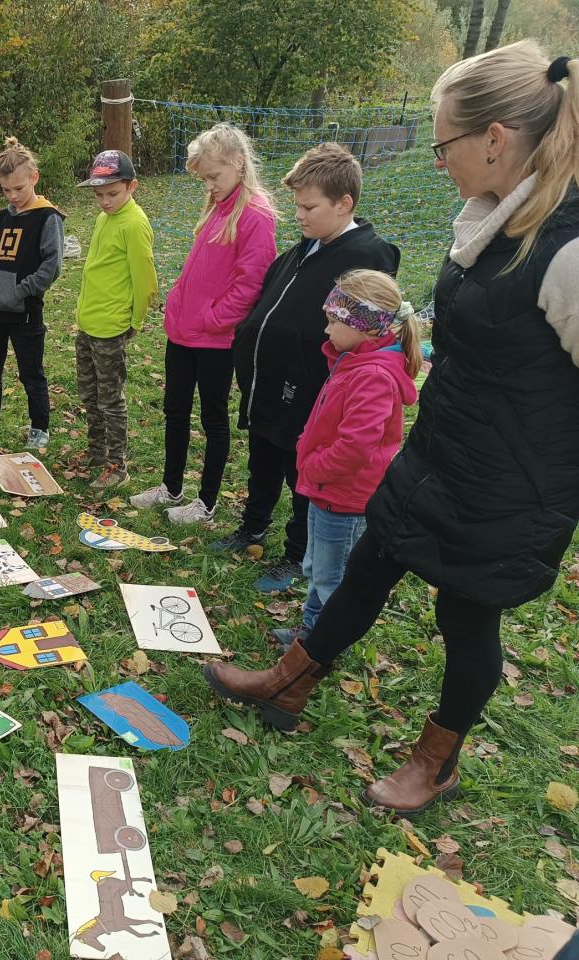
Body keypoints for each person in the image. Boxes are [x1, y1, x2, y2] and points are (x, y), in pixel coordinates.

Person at [204, 41, 579, 815]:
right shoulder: (491, 223)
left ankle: (435, 761)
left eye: (445, 145)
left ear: (495, 139)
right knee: (371, 563)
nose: (438, 161)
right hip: (440, 452)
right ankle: (288, 682)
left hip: (506, 486)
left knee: (464, 616)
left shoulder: (568, 250)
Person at [217, 143, 400, 593]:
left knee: (301, 467)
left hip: (310, 389)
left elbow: (362, 328)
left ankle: (297, 552)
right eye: (297, 205)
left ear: (344, 203)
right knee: (262, 455)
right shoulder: (303, 249)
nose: (298, 215)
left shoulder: (367, 255)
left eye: (309, 207)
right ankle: (253, 525)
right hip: (268, 380)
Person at [129, 123, 277, 522]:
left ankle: (206, 503)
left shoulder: (256, 214)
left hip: (214, 340)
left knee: (213, 419)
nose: (209, 186)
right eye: (204, 179)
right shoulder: (218, 206)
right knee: (175, 411)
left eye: (214, 176)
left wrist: (214, 318)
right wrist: (180, 303)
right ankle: (171, 487)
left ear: (238, 163)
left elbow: (251, 284)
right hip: (183, 332)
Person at [272, 270, 420, 651]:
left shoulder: (373, 375)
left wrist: (315, 467)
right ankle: (311, 628)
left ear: (364, 326)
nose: (326, 330)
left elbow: (356, 446)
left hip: (343, 496)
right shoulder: (352, 361)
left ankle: (320, 645)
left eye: (333, 321)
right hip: (325, 489)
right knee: (316, 565)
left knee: (331, 575)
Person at [0, 137, 64, 451]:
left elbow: (52, 265)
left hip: (25, 312)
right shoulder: (1, 218)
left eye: (19, 188)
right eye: (6, 190)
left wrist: (22, 291)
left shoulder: (47, 217)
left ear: (34, 178)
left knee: (31, 373)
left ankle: (39, 427)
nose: (13, 196)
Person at [74, 149, 157, 490]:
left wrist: (134, 322)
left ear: (131, 187)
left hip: (111, 327)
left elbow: (145, 280)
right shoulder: (103, 219)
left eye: (112, 193)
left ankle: (116, 466)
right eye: (99, 195)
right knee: (88, 394)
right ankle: (97, 452)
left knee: (110, 400)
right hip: (88, 323)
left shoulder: (134, 223)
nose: (105, 201)